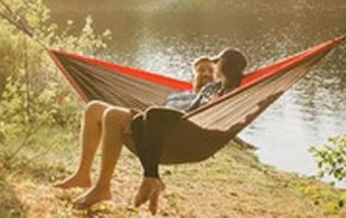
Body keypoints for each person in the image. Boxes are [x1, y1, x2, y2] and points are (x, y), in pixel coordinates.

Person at [54, 49, 247, 213]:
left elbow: (231, 86)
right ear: (192, 77)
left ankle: (111, 185)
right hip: (152, 124)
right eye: (200, 70)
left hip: (182, 135)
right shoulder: (179, 95)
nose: (205, 72)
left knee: (116, 115)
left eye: (210, 70)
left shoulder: (215, 94)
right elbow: (160, 109)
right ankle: (84, 174)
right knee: (94, 108)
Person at [131, 48, 247, 213]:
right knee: (137, 122)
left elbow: (228, 113)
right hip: (188, 118)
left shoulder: (235, 93)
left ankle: (149, 178)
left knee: (152, 113)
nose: (214, 65)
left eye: (217, 61)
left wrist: (213, 105)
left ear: (226, 65)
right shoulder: (211, 88)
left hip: (199, 129)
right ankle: (152, 177)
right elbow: (192, 106)